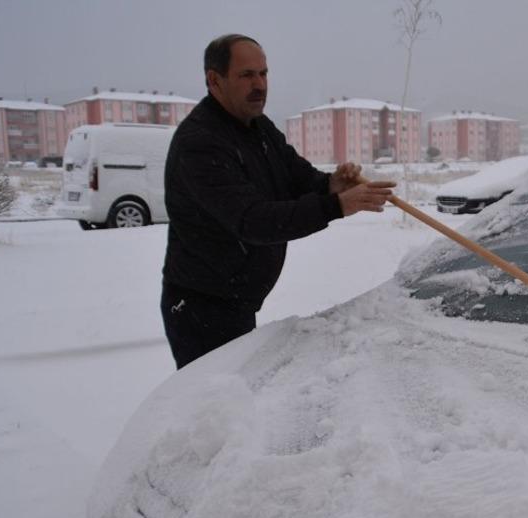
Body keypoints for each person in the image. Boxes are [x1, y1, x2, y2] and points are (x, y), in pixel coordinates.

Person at [161, 33, 395, 369]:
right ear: (214, 79)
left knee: (240, 399)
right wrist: (338, 206)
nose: (259, 84)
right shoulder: (200, 145)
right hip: (201, 309)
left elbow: (296, 177)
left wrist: (332, 185)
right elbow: (253, 221)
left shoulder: (258, 127)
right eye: (246, 75)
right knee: (217, 411)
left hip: (236, 302)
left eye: (263, 74)